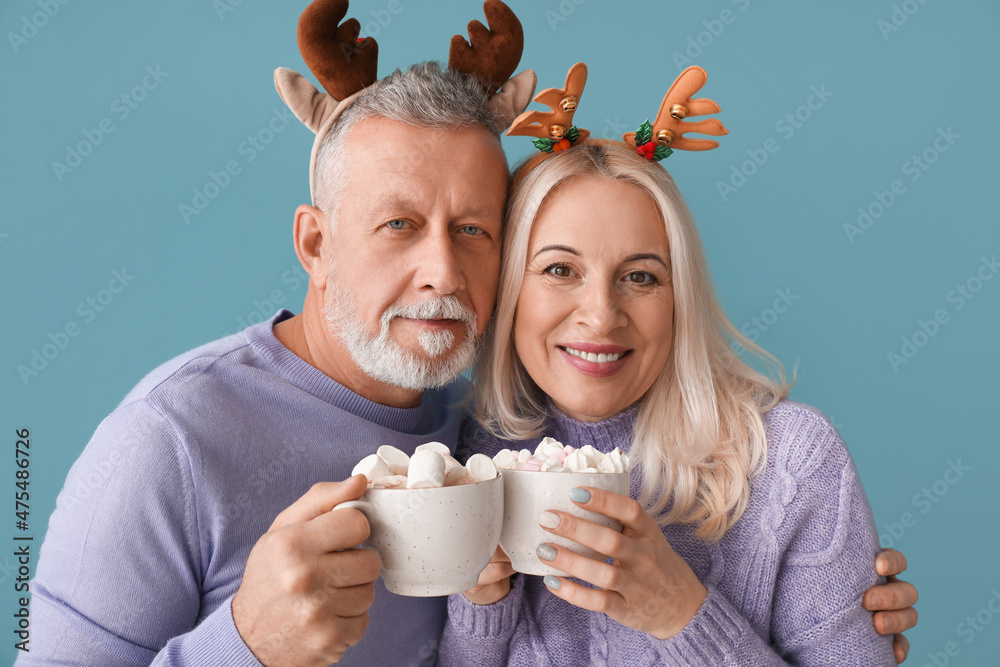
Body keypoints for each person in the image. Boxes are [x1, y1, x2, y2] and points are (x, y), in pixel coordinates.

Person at [20, 8, 916, 667]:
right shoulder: (169, 441)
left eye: (475, 230)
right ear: (316, 243)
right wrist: (244, 645)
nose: (444, 274)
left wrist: (814, 606)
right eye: (400, 224)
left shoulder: (483, 434)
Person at [438, 132, 915, 664]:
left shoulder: (794, 464)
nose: (601, 314)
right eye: (559, 270)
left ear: (678, 300)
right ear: (509, 291)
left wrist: (681, 615)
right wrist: (482, 606)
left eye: (641, 277)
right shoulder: (465, 459)